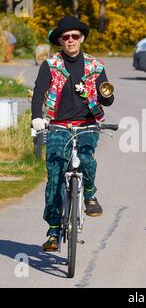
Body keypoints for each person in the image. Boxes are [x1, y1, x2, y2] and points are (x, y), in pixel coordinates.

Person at [31, 16, 115, 251]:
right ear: (60, 40)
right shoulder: (51, 65)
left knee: (86, 158)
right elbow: (39, 92)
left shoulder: (95, 66)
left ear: (82, 38)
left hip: (87, 124)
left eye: (75, 36)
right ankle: (54, 231)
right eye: (65, 37)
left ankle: (89, 193)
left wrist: (106, 96)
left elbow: (107, 98)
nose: (70, 40)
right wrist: (36, 117)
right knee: (55, 175)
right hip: (58, 124)